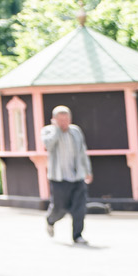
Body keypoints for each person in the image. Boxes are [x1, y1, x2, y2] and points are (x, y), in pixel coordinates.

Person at [42, 104, 93, 244]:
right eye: (61, 120)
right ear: (54, 120)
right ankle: (50, 220)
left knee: (80, 208)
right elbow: (48, 145)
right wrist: (57, 130)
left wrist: (88, 171)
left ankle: (77, 235)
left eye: (66, 119)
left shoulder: (76, 131)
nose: (64, 123)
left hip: (77, 176)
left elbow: (83, 152)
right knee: (60, 208)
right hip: (58, 178)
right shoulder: (48, 131)